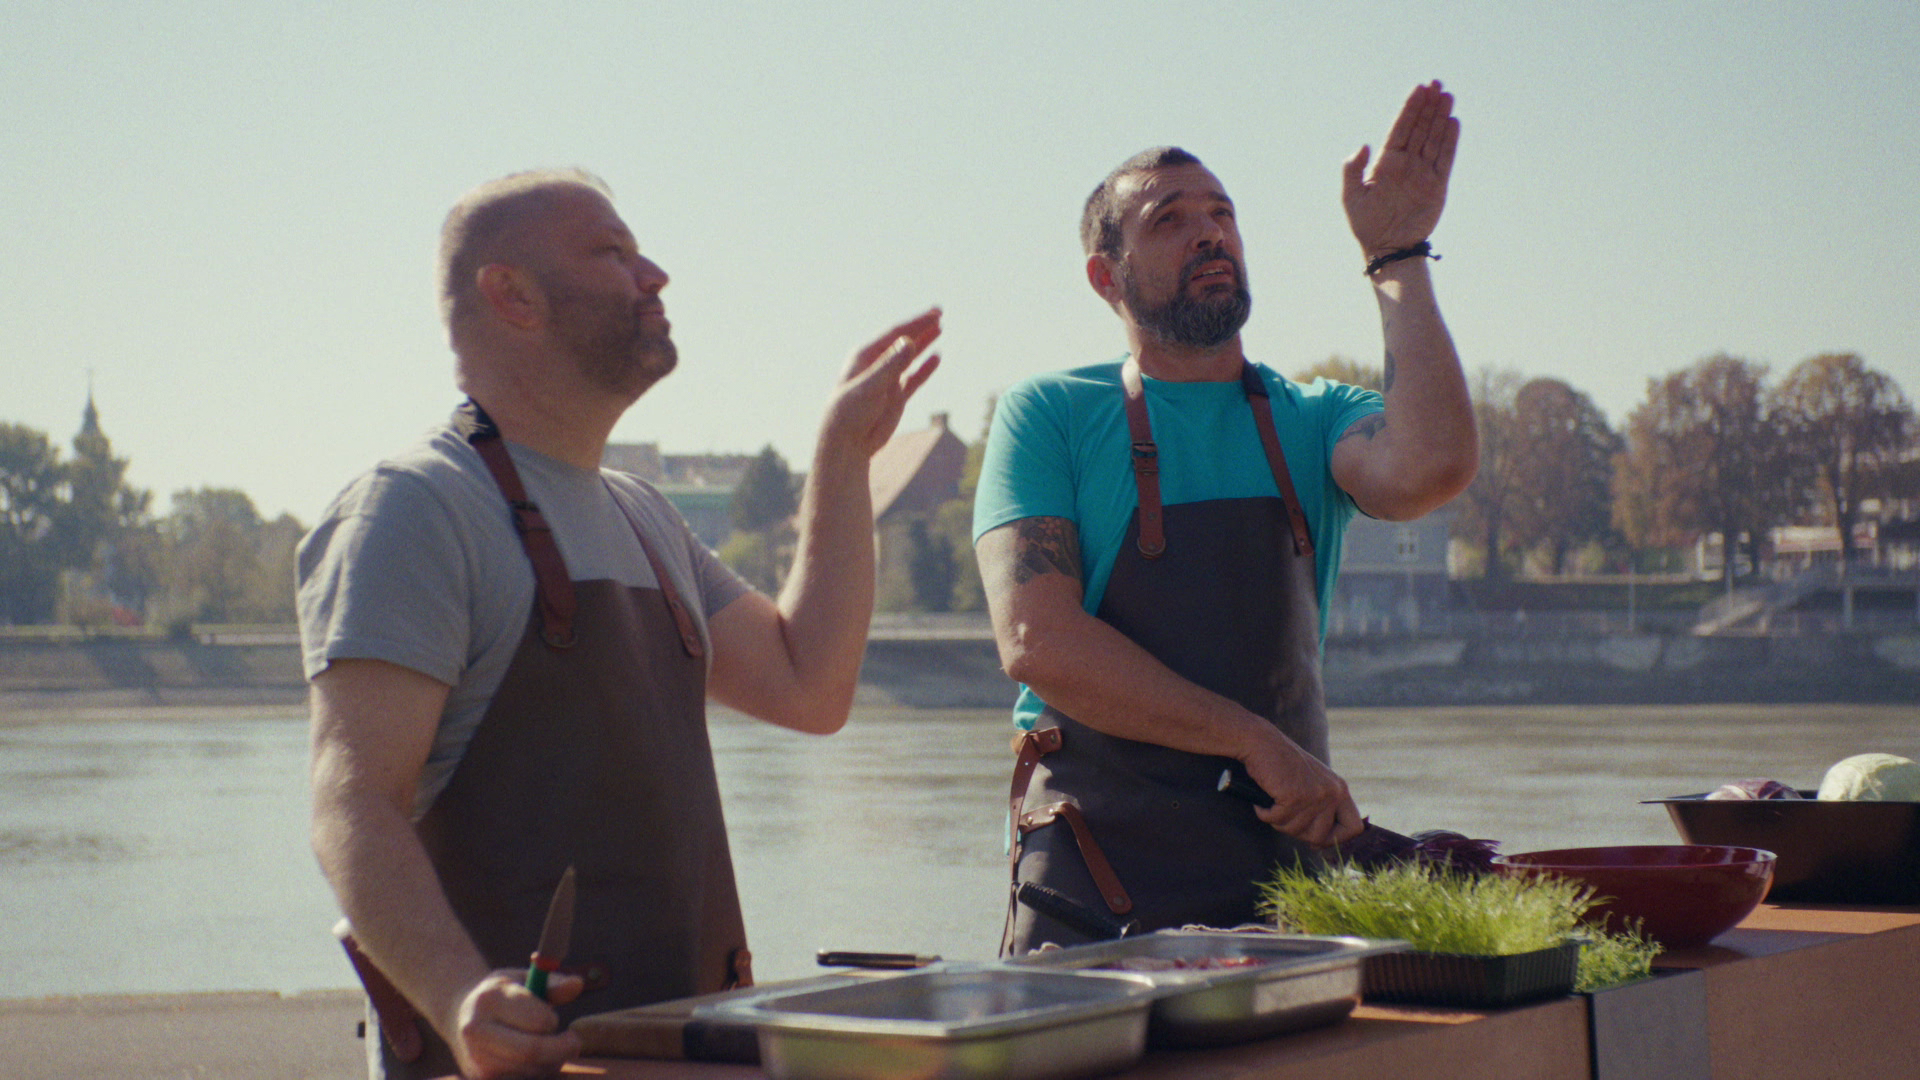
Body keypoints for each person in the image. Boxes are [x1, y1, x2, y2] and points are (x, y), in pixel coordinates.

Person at [298, 168, 940, 1080]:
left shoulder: (644, 515)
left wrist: (843, 455)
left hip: (687, 1054)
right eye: (611, 252)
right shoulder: (415, 508)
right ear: (512, 295)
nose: (655, 275)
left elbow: (810, 685)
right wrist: (461, 1000)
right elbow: (352, 805)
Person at [974, 82, 1476, 954]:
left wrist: (1398, 254)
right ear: (1106, 276)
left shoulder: (1314, 417)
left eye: (1222, 214)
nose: (1209, 232)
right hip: (1093, 892)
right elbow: (1037, 642)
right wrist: (1252, 741)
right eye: (1169, 220)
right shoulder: (1050, 414)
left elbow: (1431, 468)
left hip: (1284, 884)